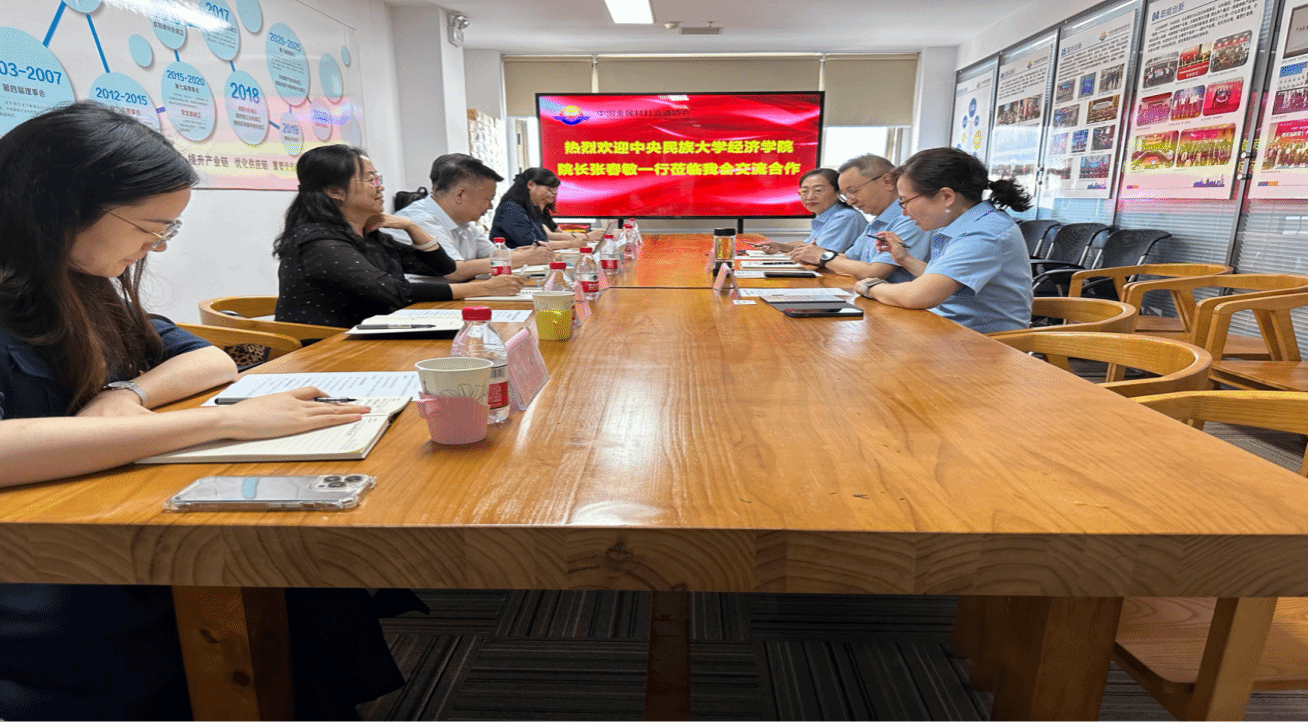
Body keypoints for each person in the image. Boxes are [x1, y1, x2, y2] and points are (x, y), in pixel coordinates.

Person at [0, 102, 389, 719]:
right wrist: (223, 420)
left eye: (168, 229)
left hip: (101, 507)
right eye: (150, 226)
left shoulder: (82, 285)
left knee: (291, 573)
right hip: (39, 556)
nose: (156, 244)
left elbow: (209, 358)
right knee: (252, 576)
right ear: (61, 209)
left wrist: (125, 394)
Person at [275, 146, 527, 328]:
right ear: (334, 191)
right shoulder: (317, 241)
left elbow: (443, 267)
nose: (380, 186)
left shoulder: (369, 235)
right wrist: (482, 288)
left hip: (371, 334)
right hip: (325, 346)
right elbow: (392, 291)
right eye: (370, 179)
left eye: (378, 178)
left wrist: (411, 227)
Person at [853, 147, 1033, 334]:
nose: (904, 212)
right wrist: (904, 258)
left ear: (946, 196)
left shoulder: (984, 234)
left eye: (905, 201)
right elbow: (940, 279)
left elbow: (919, 295)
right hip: (952, 330)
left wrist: (871, 286)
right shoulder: (969, 223)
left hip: (985, 342)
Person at [389, 154, 553, 281]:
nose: (490, 206)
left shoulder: (464, 223)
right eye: (488, 199)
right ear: (460, 194)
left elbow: (492, 255)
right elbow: (455, 271)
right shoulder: (421, 219)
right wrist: (524, 257)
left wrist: (520, 253)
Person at [789, 155, 927, 282]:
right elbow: (847, 257)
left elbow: (874, 273)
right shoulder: (876, 223)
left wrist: (823, 257)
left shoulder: (911, 219)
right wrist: (815, 256)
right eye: (845, 195)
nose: (850, 202)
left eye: (853, 191)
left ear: (887, 181)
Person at [758, 168, 864, 255]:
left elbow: (818, 254)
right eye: (804, 191)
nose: (810, 197)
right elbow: (808, 245)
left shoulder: (846, 217)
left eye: (818, 190)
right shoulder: (826, 216)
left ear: (838, 192)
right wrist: (780, 246)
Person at [491, 167, 603, 249]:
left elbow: (543, 238)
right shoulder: (511, 209)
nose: (553, 194)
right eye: (549, 190)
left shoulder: (530, 208)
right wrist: (571, 243)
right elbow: (532, 244)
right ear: (531, 185)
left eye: (555, 190)